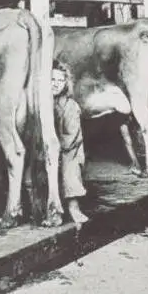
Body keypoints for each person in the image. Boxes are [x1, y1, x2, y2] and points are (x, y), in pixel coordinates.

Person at [50, 60, 89, 227]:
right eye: (53, 80)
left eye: (60, 80)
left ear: (66, 83)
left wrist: (55, 148)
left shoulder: (70, 106)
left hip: (67, 148)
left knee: (69, 164)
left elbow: (72, 136)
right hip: (48, 150)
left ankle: (73, 206)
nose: (56, 84)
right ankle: (49, 208)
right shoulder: (43, 103)